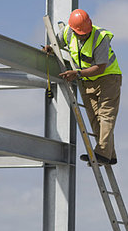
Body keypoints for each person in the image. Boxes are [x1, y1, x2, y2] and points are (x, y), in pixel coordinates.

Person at [43, 9, 122, 166]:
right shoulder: (67, 33)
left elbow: (100, 67)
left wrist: (77, 73)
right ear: (73, 30)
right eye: (81, 33)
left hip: (108, 78)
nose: (84, 35)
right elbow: (56, 43)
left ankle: (102, 153)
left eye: (86, 32)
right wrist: (50, 49)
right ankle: (109, 154)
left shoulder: (100, 38)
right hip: (87, 81)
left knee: (106, 116)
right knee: (94, 118)